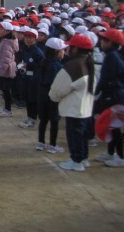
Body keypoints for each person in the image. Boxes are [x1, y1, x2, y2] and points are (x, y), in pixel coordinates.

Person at [49, 34, 96, 172]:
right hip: (84, 107)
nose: (67, 49)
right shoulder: (87, 61)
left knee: (75, 135)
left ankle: (76, 161)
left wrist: (54, 97)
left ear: (75, 49)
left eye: (70, 47)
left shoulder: (73, 65)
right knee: (82, 135)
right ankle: (83, 158)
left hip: (74, 107)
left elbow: (58, 89)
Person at [93, 28, 124, 167]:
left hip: (113, 95)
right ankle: (110, 153)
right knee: (110, 124)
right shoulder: (112, 55)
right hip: (113, 93)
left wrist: (96, 91)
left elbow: (105, 78)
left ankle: (121, 157)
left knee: (114, 126)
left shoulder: (111, 56)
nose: (101, 42)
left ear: (111, 43)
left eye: (104, 40)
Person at [36, 38, 67, 153]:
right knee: (54, 120)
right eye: (63, 50)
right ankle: (52, 145)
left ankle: (40, 142)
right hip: (52, 95)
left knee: (43, 119)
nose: (64, 52)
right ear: (56, 51)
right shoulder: (57, 66)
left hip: (42, 93)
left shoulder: (44, 61)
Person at [0, 21, 19, 117]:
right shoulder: (6, 41)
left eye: (0, 29)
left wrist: (0, 72)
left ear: (6, 31)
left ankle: (8, 110)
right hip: (4, 69)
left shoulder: (7, 43)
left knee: (6, 91)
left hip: (5, 70)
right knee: (5, 90)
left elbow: (6, 59)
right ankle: (6, 108)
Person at [16, 28, 44, 129]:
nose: (28, 39)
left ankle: (33, 119)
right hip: (25, 77)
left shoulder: (37, 52)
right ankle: (29, 117)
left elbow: (40, 66)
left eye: (30, 38)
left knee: (33, 100)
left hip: (34, 79)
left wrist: (28, 66)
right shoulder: (24, 49)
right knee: (27, 99)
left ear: (35, 39)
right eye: (26, 37)